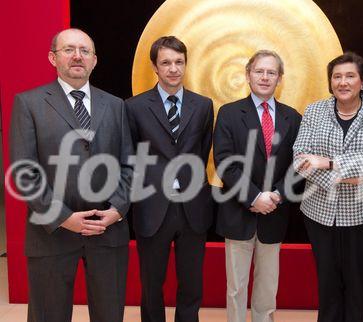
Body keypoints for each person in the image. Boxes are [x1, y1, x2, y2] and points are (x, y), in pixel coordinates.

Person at [9, 28, 133, 322]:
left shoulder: (115, 105)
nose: (77, 56)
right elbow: (25, 172)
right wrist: (65, 217)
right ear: (53, 58)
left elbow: (130, 165)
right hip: (51, 232)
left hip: (107, 231)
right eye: (68, 49)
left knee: (109, 316)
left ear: (94, 60)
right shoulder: (29, 104)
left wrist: (117, 210)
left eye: (84, 51)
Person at [293, 52, 363, 322]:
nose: (343, 82)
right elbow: (300, 160)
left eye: (350, 76)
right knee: (327, 288)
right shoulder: (315, 110)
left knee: (357, 289)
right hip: (320, 216)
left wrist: (327, 163)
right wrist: (349, 177)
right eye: (337, 76)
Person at [125, 36, 214, 322]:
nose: (173, 68)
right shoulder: (134, 107)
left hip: (192, 208)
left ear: (186, 64)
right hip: (152, 207)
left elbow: (202, 151)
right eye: (166, 62)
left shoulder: (203, 105)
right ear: (155, 66)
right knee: (151, 285)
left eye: (178, 62)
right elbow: (130, 156)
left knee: (191, 285)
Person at [213, 50, 302, 322]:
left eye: (271, 72)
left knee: (267, 289)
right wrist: (254, 197)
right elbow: (225, 162)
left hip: (274, 213)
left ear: (280, 79)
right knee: (236, 288)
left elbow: (297, 167)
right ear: (248, 75)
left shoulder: (293, 117)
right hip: (238, 213)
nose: (265, 77)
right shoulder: (228, 113)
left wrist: (274, 196)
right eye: (259, 71)